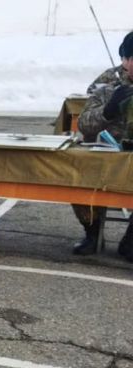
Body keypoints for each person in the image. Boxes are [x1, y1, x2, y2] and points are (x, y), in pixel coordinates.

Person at [73, 31, 133, 259]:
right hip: (105, 155)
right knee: (75, 173)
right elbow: (85, 125)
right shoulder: (108, 82)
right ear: (125, 59)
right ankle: (93, 233)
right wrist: (109, 110)